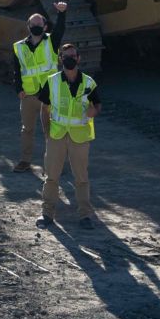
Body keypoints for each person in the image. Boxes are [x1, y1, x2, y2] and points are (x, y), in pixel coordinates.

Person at [38, 45, 101, 228]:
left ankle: (85, 215)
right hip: (56, 135)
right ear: (60, 59)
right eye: (66, 56)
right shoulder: (52, 81)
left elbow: (98, 106)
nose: (70, 59)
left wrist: (93, 112)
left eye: (73, 56)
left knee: (81, 177)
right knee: (52, 176)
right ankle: (47, 214)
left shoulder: (89, 82)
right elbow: (45, 108)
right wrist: (47, 132)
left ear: (79, 58)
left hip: (80, 137)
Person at [11, 2, 70, 173]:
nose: (36, 26)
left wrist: (61, 13)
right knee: (27, 130)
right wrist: (18, 89)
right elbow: (17, 69)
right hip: (28, 95)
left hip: (49, 96)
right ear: (28, 26)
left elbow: (60, 30)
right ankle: (25, 161)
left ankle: (54, 164)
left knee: (52, 131)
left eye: (39, 24)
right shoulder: (19, 47)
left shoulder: (51, 41)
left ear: (45, 26)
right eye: (33, 24)